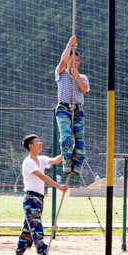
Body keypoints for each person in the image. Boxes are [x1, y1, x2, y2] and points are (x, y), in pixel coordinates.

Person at [14, 134, 68, 255]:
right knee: (36, 228)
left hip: (38, 198)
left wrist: (67, 152)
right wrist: (59, 187)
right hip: (31, 198)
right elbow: (41, 176)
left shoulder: (41, 159)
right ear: (30, 146)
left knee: (27, 230)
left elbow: (55, 160)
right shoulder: (28, 162)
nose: (40, 143)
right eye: (37, 141)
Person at [55, 35, 89, 175]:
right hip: (64, 109)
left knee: (80, 139)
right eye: (72, 59)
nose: (76, 62)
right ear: (68, 61)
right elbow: (62, 61)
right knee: (66, 137)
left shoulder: (82, 77)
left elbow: (84, 89)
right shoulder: (61, 73)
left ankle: (77, 164)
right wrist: (69, 44)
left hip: (78, 110)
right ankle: (67, 161)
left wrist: (77, 76)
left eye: (78, 60)